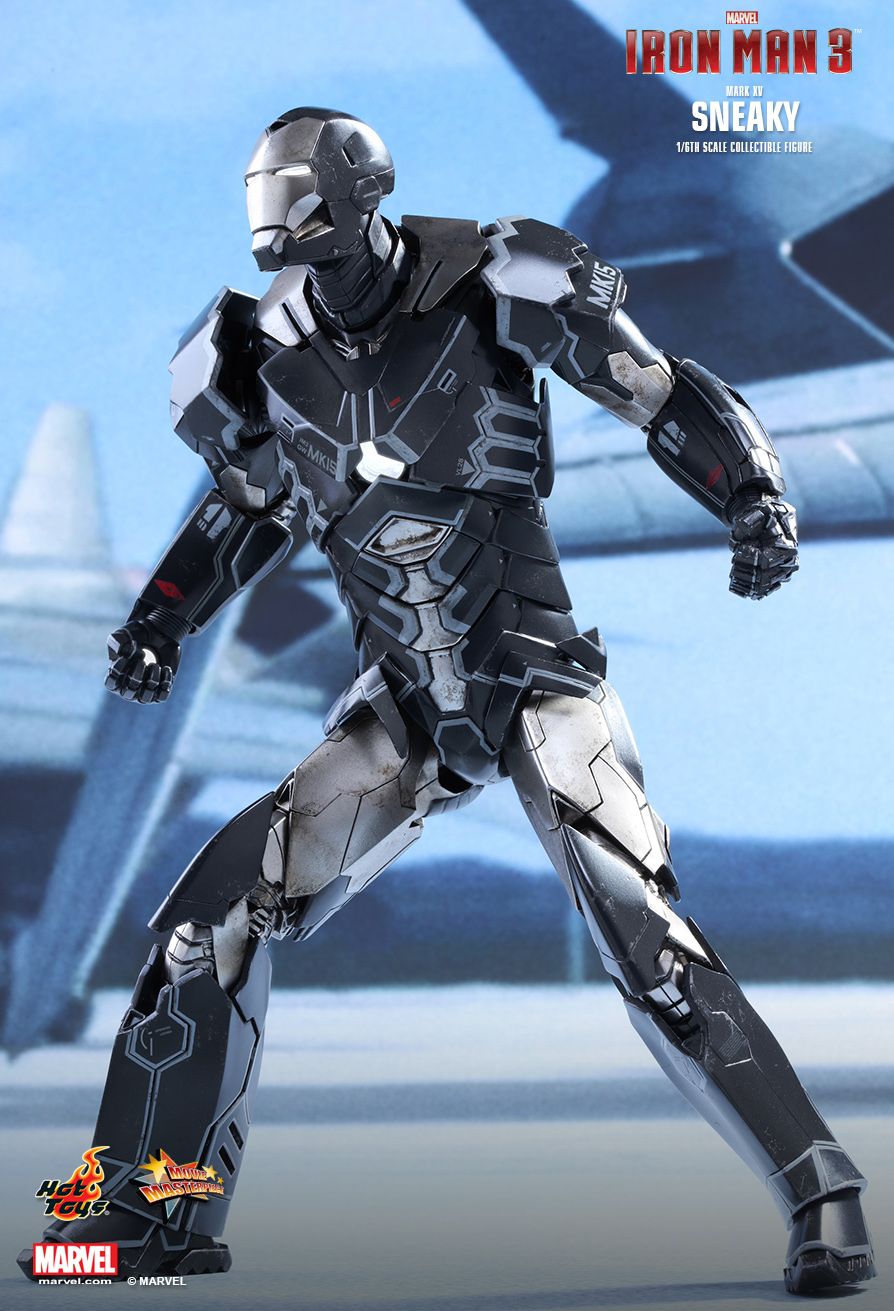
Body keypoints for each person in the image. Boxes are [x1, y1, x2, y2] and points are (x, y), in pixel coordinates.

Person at [20, 108, 874, 1294]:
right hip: (402, 706)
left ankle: (823, 1195)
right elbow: (249, 507)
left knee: (647, 939)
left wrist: (752, 491)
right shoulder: (254, 353)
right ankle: (151, 1210)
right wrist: (161, 617)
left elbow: (655, 388)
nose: (282, 220)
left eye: (300, 193)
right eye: (271, 196)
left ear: (358, 191)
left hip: (535, 673)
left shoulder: (494, 276)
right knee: (202, 927)